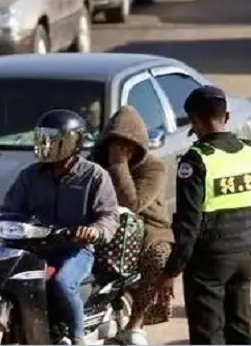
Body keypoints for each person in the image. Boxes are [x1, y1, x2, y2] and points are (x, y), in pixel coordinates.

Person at [0, 109, 121, 345]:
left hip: (75, 248)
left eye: (53, 140)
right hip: (34, 246)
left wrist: (94, 231)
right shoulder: (30, 175)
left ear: (73, 142)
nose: (46, 145)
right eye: (42, 138)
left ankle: (77, 338)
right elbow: (11, 209)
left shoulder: (94, 175)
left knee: (62, 282)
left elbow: (108, 215)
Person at [159, 86, 251, 345]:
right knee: (240, 328)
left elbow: (188, 225)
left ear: (195, 121)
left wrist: (172, 270)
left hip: (208, 262)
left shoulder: (196, 160)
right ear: (226, 117)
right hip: (243, 254)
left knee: (208, 334)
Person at [89, 107, 174, 345]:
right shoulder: (93, 165)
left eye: (128, 145)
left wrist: (119, 164)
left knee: (159, 257)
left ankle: (136, 323)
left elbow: (133, 203)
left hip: (148, 230)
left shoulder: (153, 168)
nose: (122, 149)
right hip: (104, 226)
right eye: (115, 144)